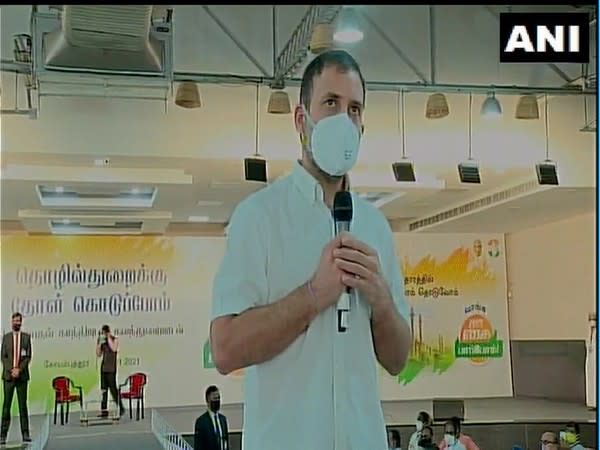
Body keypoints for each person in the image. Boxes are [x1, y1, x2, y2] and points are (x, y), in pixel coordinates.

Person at [210, 49, 411, 450]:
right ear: (303, 121)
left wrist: (382, 302)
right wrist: (314, 294)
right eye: (331, 103)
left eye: (355, 109)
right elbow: (225, 349)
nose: (344, 118)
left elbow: (398, 358)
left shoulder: (375, 227)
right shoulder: (259, 218)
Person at [0, 313, 32, 444]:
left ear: (21, 322)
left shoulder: (26, 338)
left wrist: (19, 369)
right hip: (8, 377)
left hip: (22, 377)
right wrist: (11, 370)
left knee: (22, 406)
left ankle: (25, 433)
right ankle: (2, 435)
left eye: (19, 321)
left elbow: (28, 356)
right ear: (11, 322)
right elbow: (3, 356)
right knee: (6, 406)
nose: (17, 323)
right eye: (15, 321)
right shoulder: (6, 338)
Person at [96, 325, 125, 417]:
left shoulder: (114, 339)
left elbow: (114, 348)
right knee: (104, 391)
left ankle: (121, 408)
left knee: (113, 390)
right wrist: (99, 343)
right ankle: (104, 411)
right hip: (104, 368)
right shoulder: (102, 341)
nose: (104, 334)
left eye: (105, 332)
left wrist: (108, 338)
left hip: (111, 369)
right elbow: (98, 354)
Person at [193, 385, 229, 450]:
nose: (217, 400)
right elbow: (198, 447)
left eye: (218, 398)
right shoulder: (201, 422)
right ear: (208, 400)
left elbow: (226, 442)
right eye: (214, 398)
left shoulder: (223, 420)